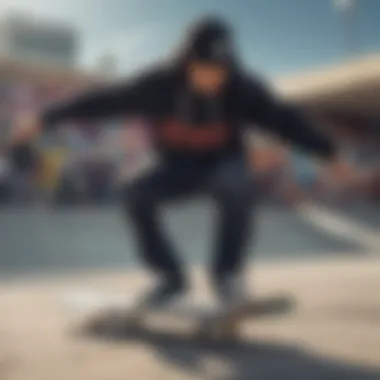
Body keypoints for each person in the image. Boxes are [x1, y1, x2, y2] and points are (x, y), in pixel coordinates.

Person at [11, 16, 355, 309]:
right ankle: (170, 277)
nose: (212, 79)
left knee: (237, 182)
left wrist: (328, 152)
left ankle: (227, 277)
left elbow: (284, 119)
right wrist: (46, 118)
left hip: (223, 165)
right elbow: (103, 100)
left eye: (219, 71)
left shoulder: (243, 89)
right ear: (187, 62)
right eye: (204, 70)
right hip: (175, 168)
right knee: (133, 191)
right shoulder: (157, 85)